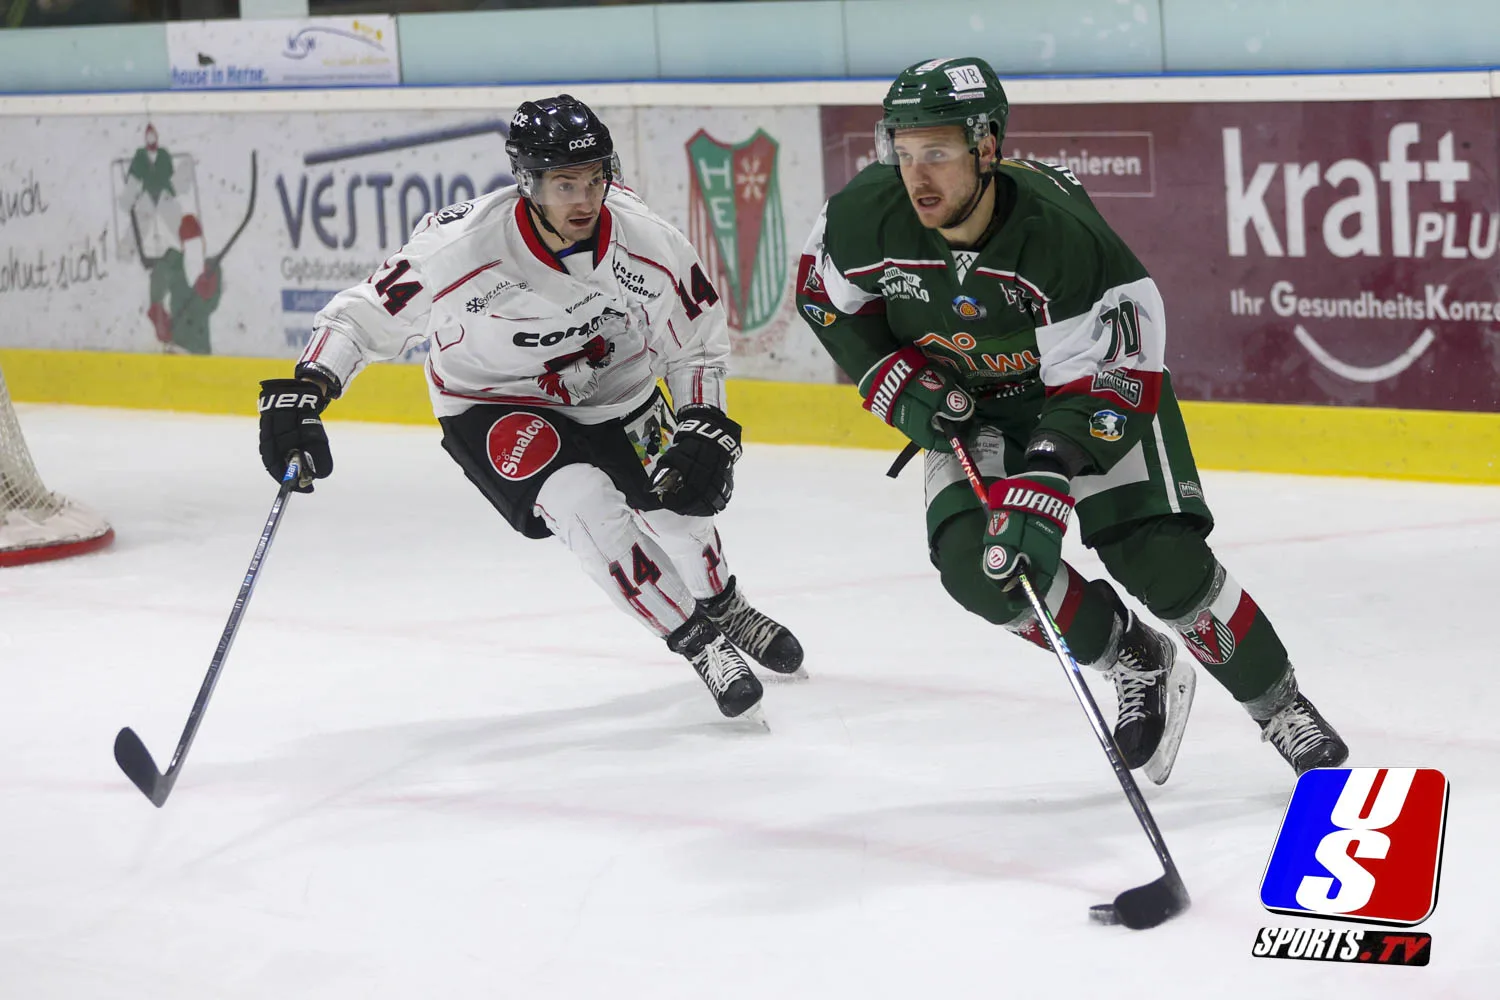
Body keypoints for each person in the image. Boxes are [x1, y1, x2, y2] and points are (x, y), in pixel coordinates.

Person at [796, 57, 1347, 777]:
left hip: (1087, 398)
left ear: (987, 146)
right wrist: (888, 372)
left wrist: (1049, 473)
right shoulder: (866, 218)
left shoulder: (1059, 235)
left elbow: (1117, 372)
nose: (917, 177)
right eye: (903, 153)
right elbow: (820, 294)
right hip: (972, 410)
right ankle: (1133, 658)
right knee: (980, 568)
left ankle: (1281, 708)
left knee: (1160, 562)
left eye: (937, 153)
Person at [257, 95, 803, 719]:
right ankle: (701, 642)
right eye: (564, 183)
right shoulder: (461, 246)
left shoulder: (649, 243)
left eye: (595, 178)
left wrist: (703, 423)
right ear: (528, 182)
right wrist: (308, 387)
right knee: (586, 510)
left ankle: (724, 604)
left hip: (615, 386)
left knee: (681, 509)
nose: (584, 199)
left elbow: (698, 342)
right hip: (492, 400)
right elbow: (362, 315)